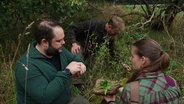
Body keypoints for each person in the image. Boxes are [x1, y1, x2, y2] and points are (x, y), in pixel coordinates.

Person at [15, 20, 90, 104]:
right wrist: (67, 72)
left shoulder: (58, 50)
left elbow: (75, 58)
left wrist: (81, 65)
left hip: (65, 100)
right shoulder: (26, 65)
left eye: (63, 39)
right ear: (44, 42)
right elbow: (44, 97)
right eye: (58, 41)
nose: (64, 42)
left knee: (83, 102)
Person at [103, 38, 181, 104]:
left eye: (132, 56)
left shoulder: (131, 90)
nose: (130, 59)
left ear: (143, 60)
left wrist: (110, 101)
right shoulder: (173, 83)